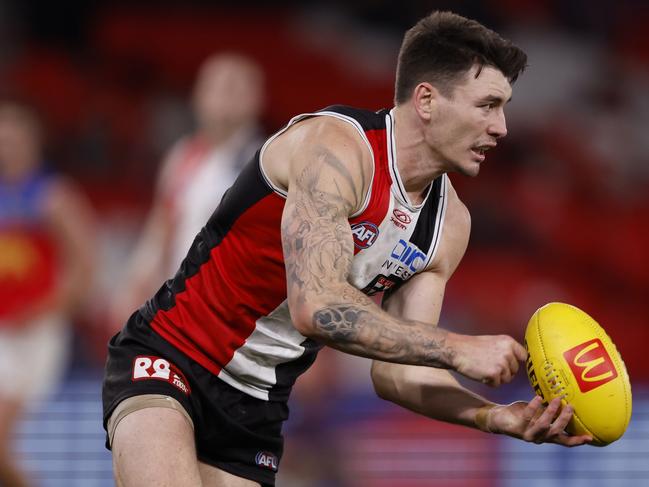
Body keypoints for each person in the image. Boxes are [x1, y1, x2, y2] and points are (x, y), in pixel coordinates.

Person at [102, 11, 592, 487]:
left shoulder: (449, 224)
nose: (502, 127)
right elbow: (315, 306)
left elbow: (397, 377)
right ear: (426, 100)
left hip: (256, 405)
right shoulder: (336, 148)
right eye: (487, 105)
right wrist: (457, 347)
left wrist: (495, 416)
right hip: (171, 355)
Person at [110, 53, 265, 325]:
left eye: (234, 87)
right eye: (215, 86)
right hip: (184, 305)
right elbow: (162, 226)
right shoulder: (183, 156)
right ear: (197, 96)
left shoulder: (267, 163)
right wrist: (136, 283)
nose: (224, 97)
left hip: (238, 311)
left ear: (257, 99)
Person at [0, 99, 95, 487]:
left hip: (36, 336)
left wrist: (42, 311)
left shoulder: (54, 196)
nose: (7, 144)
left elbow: (86, 268)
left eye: (14, 135)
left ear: (33, 139)